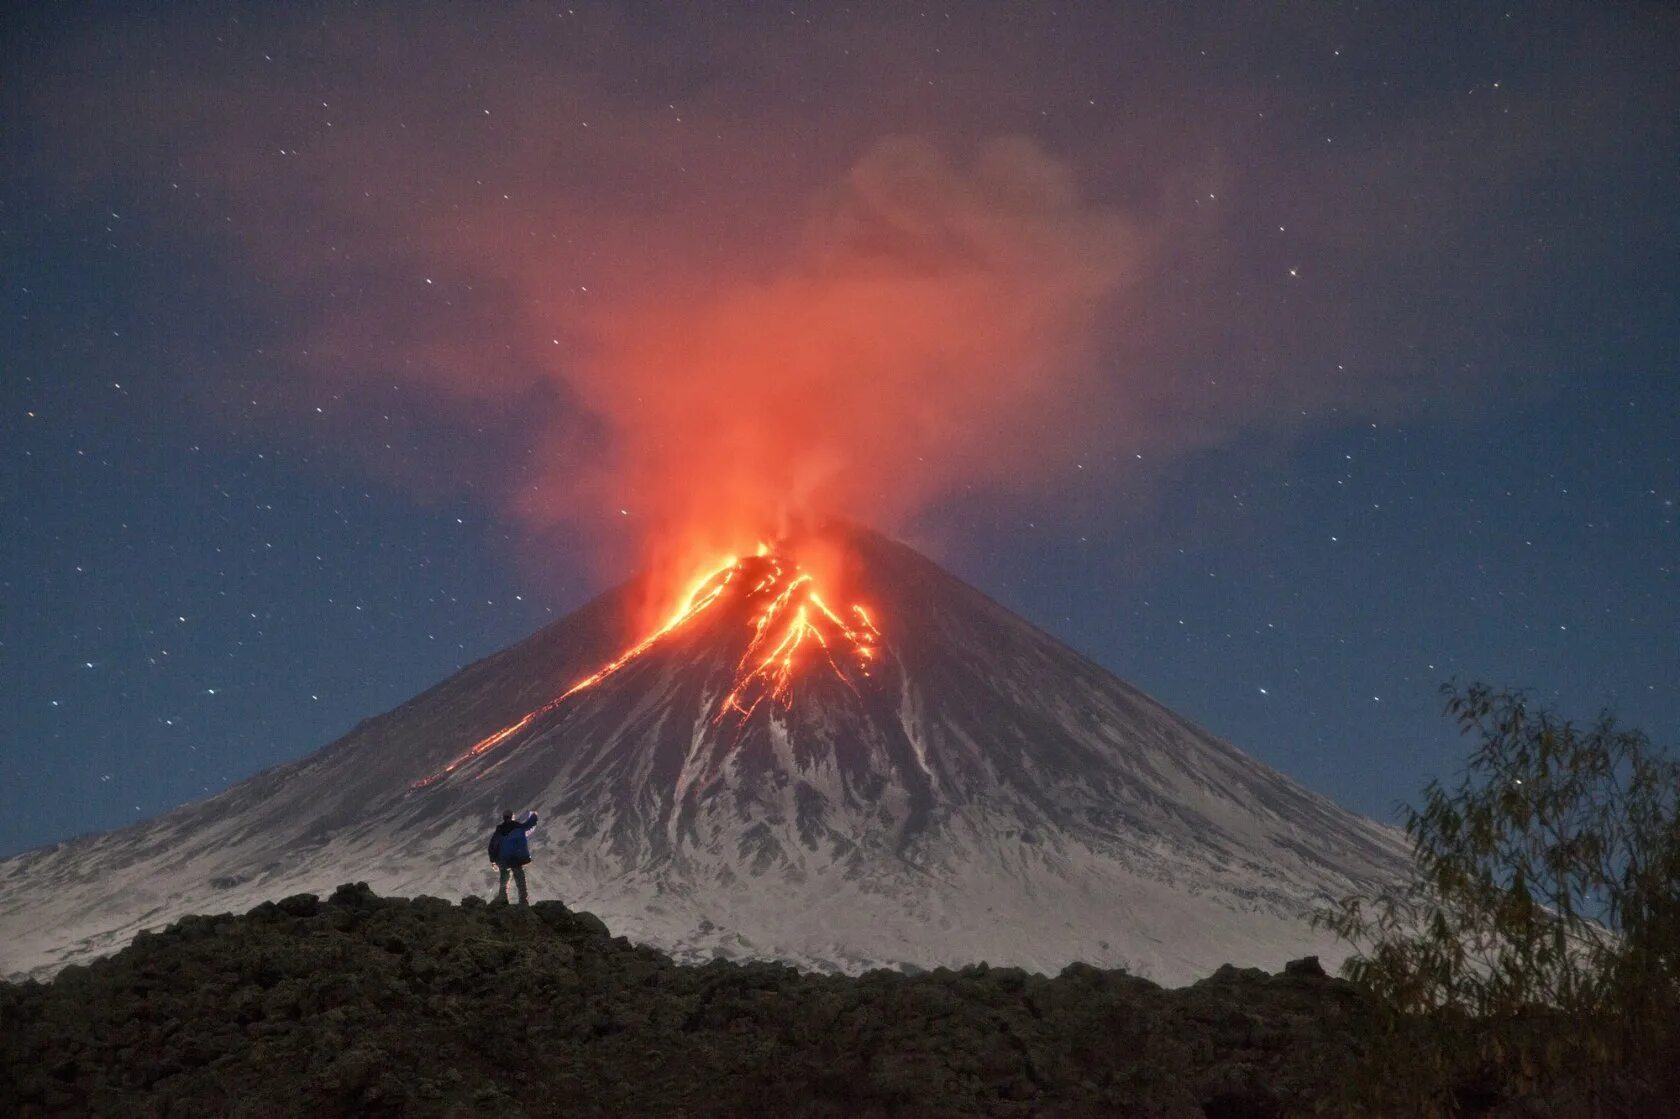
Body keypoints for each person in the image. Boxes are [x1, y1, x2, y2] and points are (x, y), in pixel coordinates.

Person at [487, 810, 538, 905]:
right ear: (512, 816)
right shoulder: (518, 827)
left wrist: (493, 861)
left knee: (504, 878)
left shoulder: (499, 831)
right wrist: (534, 815)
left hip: (503, 859)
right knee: (520, 879)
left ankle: (502, 899)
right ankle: (523, 901)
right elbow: (529, 825)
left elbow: (492, 846)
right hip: (516, 858)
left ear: (504, 817)